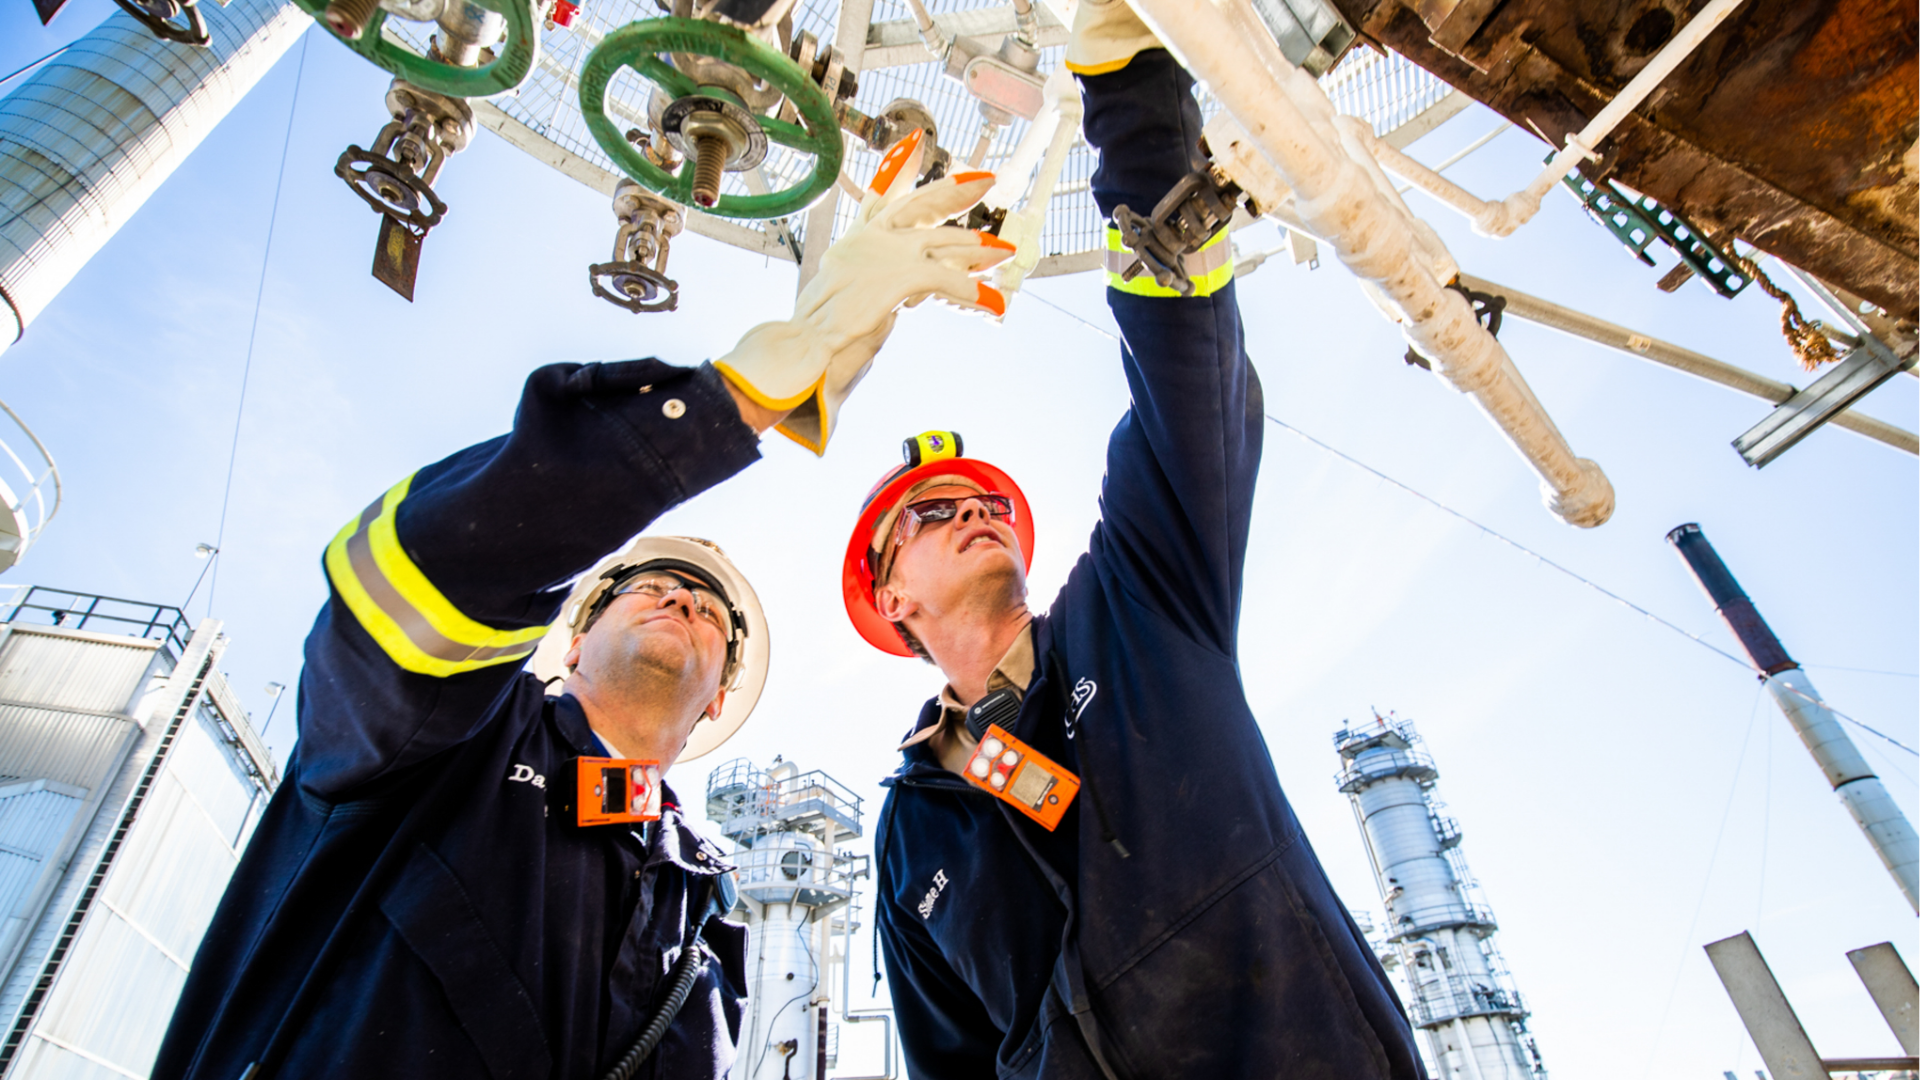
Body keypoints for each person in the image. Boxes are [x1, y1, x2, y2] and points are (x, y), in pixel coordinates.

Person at [151, 133, 1012, 1080]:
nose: (686, 593)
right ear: (568, 641)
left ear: (718, 699)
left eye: (713, 613)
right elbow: (427, 569)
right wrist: (733, 401)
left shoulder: (708, 923)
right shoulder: (437, 745)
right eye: (650, 583)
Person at [846, 8, 1429, 1078]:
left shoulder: (1139, 605)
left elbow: (1185, 382)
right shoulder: (913, 835)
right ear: (891, 602)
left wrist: (1130, 92)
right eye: (931, 514)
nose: (971, 511)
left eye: (985, 501)